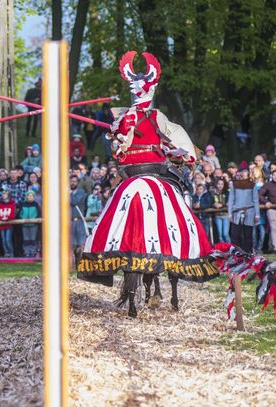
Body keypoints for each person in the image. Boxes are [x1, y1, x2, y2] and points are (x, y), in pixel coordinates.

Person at [78, 51, 216, 318]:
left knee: (113, 208)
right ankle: (184, 250)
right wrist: (176, 153)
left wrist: (117, 136)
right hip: (155, 174)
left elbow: (118, 154)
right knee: (180, 205)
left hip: (130, 177)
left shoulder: (123, 119)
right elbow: (177, 150)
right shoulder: (156, 118)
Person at [228, 168, 259, 253]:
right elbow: (231, 199)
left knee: (248, 234)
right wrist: (230, 213)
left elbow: (255, 200)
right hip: (236, 212)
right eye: (242, 171)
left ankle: (248, 252)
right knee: (235, 234)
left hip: (249, 211)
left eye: (245, 171)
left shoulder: (252, 185)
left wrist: (257, 214)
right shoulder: (234, 185)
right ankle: (236, 252)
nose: (244, 173)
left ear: (248, 173)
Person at [70, 175, 88, 259]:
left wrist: (69, 193)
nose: (73, 183)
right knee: (71, 245)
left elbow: (75, 201)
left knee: (81, 246)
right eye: (71, 181)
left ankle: (80, 263)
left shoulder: (81, 192)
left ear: (77, 183)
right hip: (69, 221)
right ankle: (71, 264)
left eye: (74, 181)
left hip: (79, 221)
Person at [20, 190, 40, 257]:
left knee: (33, 239)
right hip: (24, 224)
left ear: (34, 197)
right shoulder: (23, 204)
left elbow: (39, 213)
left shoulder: (36, 204)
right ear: (26, 196)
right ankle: (27, 253)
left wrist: (35, 219)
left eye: (31, 196)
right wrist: (22, 218)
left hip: (33, 224)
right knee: (26, 239)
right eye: (29, 195)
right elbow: (20, 213)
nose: (30, 197)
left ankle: (33, 252)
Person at [0, 189, 16, 257]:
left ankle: (11, 253)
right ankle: (6, 253)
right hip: (1, 225)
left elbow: (13, 214)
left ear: (8, 195)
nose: (4, 195)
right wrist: (0, 219)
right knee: (3, 240)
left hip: (9, 225)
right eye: (3, 194)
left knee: (8, 240)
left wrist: (7, 219)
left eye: (5, 194)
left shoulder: (12, 204)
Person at [210, 178, 230, 243]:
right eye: (219, 184)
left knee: (225, 234)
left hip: (226, 215)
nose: (220, 185)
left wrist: (222, 205)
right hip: (217, 215)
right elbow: (210, 202)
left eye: (222, 184)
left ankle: (230, 247)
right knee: (220, 235)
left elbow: (228, 202)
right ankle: (223, 248)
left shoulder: (227, 193)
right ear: (216, 184)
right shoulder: (213, 193)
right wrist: (214, 204)